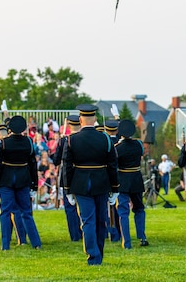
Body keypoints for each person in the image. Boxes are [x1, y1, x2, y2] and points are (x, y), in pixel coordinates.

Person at [62, 105, 119, 266]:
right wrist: (115, 188)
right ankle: (98, 253)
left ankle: (93, 256)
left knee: (87, 221)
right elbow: (112, 164)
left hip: (80, 184)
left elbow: (67, 166)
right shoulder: (105, 138)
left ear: (80, 120)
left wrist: (67, 190)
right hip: (101, 182)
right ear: (94, 120)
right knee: (101, 220)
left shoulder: (71, 139)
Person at [0, 115, 42, 250]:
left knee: (5, 212)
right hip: (23, 179)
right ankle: (36, 243)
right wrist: (34, 184)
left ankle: (5, 244)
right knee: (26, 212)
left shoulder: (3, 143)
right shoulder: (28, 142)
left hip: (6, 180)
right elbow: (33, 164)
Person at [0, 123, 28, 246]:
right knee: (19, 211)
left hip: (4, 183)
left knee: (6, 211)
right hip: (21, 181)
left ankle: (8, 240)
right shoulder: (21, 143)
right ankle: (21, 238)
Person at [114, 119, 149, 248]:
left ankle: (126, 241)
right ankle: (142, 236)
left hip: (123, 179)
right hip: (136, 178)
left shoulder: (117, 147)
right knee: (139, 208)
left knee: (123, 212)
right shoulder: (139, 144)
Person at [52, 115, 82, 242]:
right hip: (81, 175)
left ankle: (75, 235)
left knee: (70, 208)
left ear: (69, 125)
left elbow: (56, 160)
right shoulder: (82, 138)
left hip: (67, 176)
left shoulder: (64, 140)